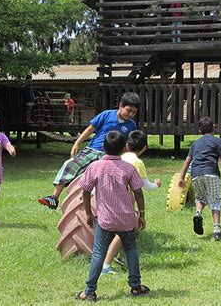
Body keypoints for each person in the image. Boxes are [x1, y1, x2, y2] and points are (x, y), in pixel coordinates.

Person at [74, 131, 150, 301]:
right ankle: (136, 286)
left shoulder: (94, 167)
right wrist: (142, 215)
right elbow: (138, 192)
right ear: (124, 148)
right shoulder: (128, 168)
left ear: (103, 147)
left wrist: (87, 213)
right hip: (127, 219)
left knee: (98, 253)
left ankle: (89, 291)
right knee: (131, 249)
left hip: (106, 220)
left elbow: (85, 191)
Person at [38, 92, 140, 210]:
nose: (131, 114)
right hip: (93, 151)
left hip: (111, 157)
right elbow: (90, 129)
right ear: (121, 106)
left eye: (134, 112)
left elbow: (128, 144)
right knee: (70, 164)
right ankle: (54, 197)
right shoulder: (107, 115)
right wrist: (77, 143)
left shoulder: (131, 125)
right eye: (129, 110)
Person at [102, 130, 161, 275]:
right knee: (128, 228)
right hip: (123, 200)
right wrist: (157, 185)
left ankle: (113, 255)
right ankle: (107, 263)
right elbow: (144, 187)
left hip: (107, 199)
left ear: (126, 145)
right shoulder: (137, 162)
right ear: (144, 148)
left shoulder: (119, 157)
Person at [178, 117, 221, 241]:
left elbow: (188, 160)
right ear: (214, 128)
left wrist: (181, 177)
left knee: (201, 198)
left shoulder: (195, 144)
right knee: (215, 201)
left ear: (199, 131)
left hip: (196, 174)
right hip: (211, 173)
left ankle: (198, 213)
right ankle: (217, 230)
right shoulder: (218, 141)